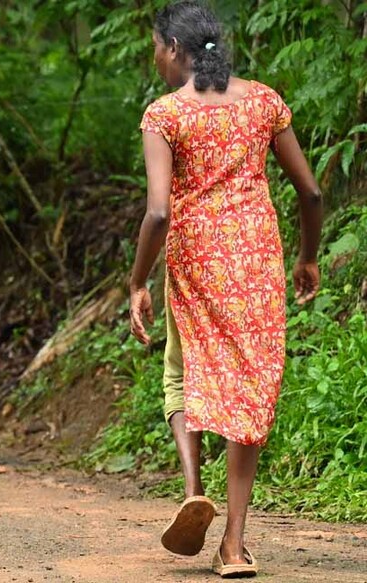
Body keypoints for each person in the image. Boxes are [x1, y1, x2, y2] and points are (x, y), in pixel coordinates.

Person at [127, 1, 323, 578]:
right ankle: (234, 547)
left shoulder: (165, 114)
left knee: (180, 369)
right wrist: (308, 259)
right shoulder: (264, 100)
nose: (155, 58)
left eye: (155, 48)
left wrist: (138, 280)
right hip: (257, 262)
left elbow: (159, 212)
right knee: (248, 392)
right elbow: (310, 193)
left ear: (173, 49)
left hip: (196, 260)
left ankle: (193, 488)